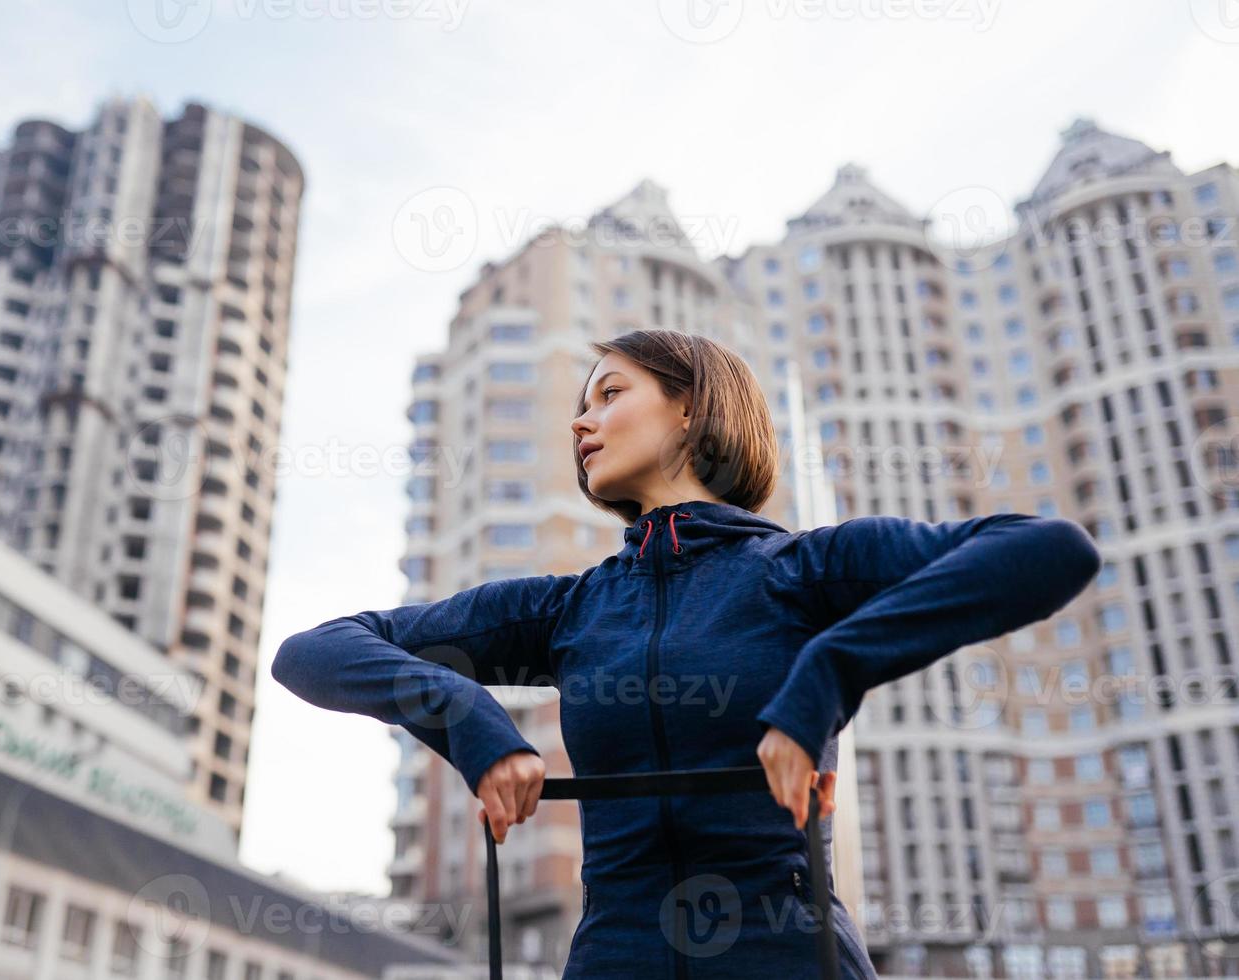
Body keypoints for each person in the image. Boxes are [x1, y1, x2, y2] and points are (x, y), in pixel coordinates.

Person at [272, 328, 1102, 979]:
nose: (581, 420)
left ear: (690, 409)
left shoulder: (805, 567)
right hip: (613, 958)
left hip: (788, 957)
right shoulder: (567, 607)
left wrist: (828, 673)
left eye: (610, 392)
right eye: (581, 404)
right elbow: (315, 652)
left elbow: (1047, 548)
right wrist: (471, 723)